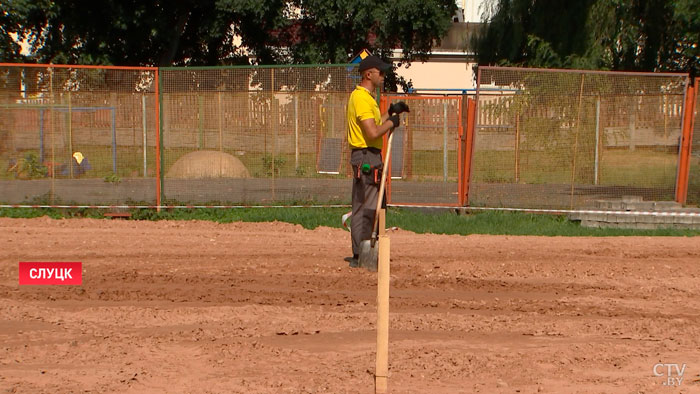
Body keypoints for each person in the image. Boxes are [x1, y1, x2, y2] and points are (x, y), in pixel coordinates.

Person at [344, 55, 409, 267]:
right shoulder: (361, 98)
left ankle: (365, 251)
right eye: (380, 72)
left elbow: (375, 123)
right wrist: (390, 124)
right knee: (368, 207)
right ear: (368, 74)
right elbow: (372, 132)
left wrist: (389, 114)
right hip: (366, 156)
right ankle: (362, 254)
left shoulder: (366, 98)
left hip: (369, 156)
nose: (383, 76)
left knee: (375, 204)